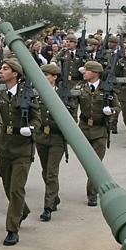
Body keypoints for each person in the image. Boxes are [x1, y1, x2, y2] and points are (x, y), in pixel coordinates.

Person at [0, 58, 39, 246]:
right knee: (7, 184)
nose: (1, 71)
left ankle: (12, 229)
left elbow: (37, 118)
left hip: (22, 148)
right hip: (3, 145)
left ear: (15, 73)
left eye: (5, 69)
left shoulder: (27, 94)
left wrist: (32, 129)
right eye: (1, 68)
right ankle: (22, 210)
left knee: (16, 188)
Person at [34, 63, 76, 222]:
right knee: (45, 171)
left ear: (54, 77)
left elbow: (73, 117)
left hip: (57, 137)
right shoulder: (37, 94)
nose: (43, 77)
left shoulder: (64, 95)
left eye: (46, 74)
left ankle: (48, 206)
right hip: (41, 136)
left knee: (51, 172)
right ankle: (54, 195)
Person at [77, 60, 114, 202]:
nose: (84, 73)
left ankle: (92, 193)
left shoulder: (107, 89)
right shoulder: (80, 87)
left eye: (87, 70)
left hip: (100, 131)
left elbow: (117, 107)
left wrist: (111, 110)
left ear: (96, 73)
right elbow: (72, 104)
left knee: (96, 164)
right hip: (84, 129)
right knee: (88, 163)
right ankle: (94, 185)